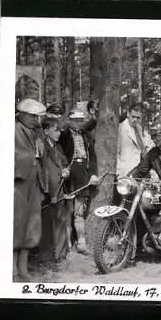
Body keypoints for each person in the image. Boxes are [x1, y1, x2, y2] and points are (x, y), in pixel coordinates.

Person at [14, 98, 48, 281]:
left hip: (34, 182)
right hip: (18, 182)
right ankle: (12, 269)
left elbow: (42, 158)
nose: (37, 120)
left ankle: (23, 268)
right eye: (34, 117)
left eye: (38, 117)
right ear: (23, 115)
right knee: (16, 222)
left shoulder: (38, 134)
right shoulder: (12, 130)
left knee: (31, 225)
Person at [58, 109, 98, 254]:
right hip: (68, 172)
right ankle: (67, 244)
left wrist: (93, 174)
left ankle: (81, 243)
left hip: (83, 172)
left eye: (81, 120)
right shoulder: (63, 135)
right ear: (69, 121)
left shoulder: (86, 135)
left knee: (79, 210)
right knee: (67, 210)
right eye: (75, 120)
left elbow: (93, 157)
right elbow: (59, 153)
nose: (79, 123)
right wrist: (63, 168)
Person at [38, 117, 72, 264]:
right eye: (55, 130)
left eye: (59, 130)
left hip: (59, 189)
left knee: (60, 221)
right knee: (46, 223)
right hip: (47, 190)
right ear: (46, 131)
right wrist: (47, 191)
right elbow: (41, 170)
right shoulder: (41, 146)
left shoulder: (58, 147)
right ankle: (46, 256)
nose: (58, 133)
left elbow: (64, 162)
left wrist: (65, 170)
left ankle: (59, 254)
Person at [117, 102, 155, 177]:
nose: (135, 120)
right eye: (133, 116)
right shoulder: (120, 128)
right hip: (126, 172)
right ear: (128, 114)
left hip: (140, 171)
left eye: (138, 118)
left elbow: (142, 149)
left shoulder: (139, 128)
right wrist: (120, 171)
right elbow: (115, 153)